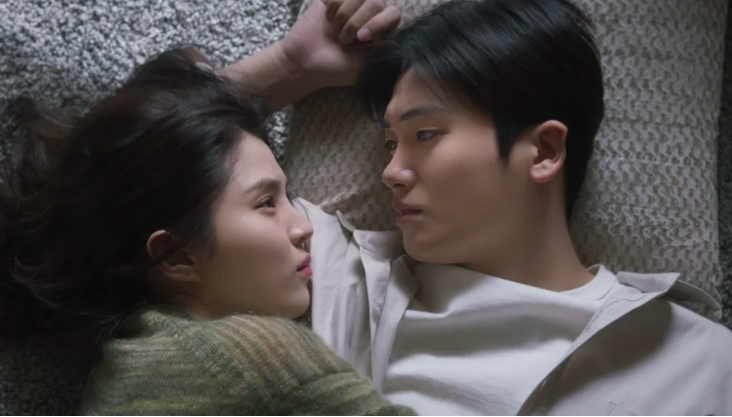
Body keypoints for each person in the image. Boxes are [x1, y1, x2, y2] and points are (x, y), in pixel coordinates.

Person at [232, 0, 732, 415]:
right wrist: (292, 66)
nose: (391, 172)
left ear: (543, 152)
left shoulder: (698, 363)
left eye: (425, 134)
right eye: (390, 144)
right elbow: (184, 163)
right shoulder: (336, 271)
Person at [0, 1, 416, 415]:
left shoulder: (130, 364)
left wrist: (294, 63)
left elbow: (154, 143)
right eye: (266, 203)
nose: (303, 225)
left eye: (287, 197)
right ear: (177, 255)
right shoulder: (255, 356)